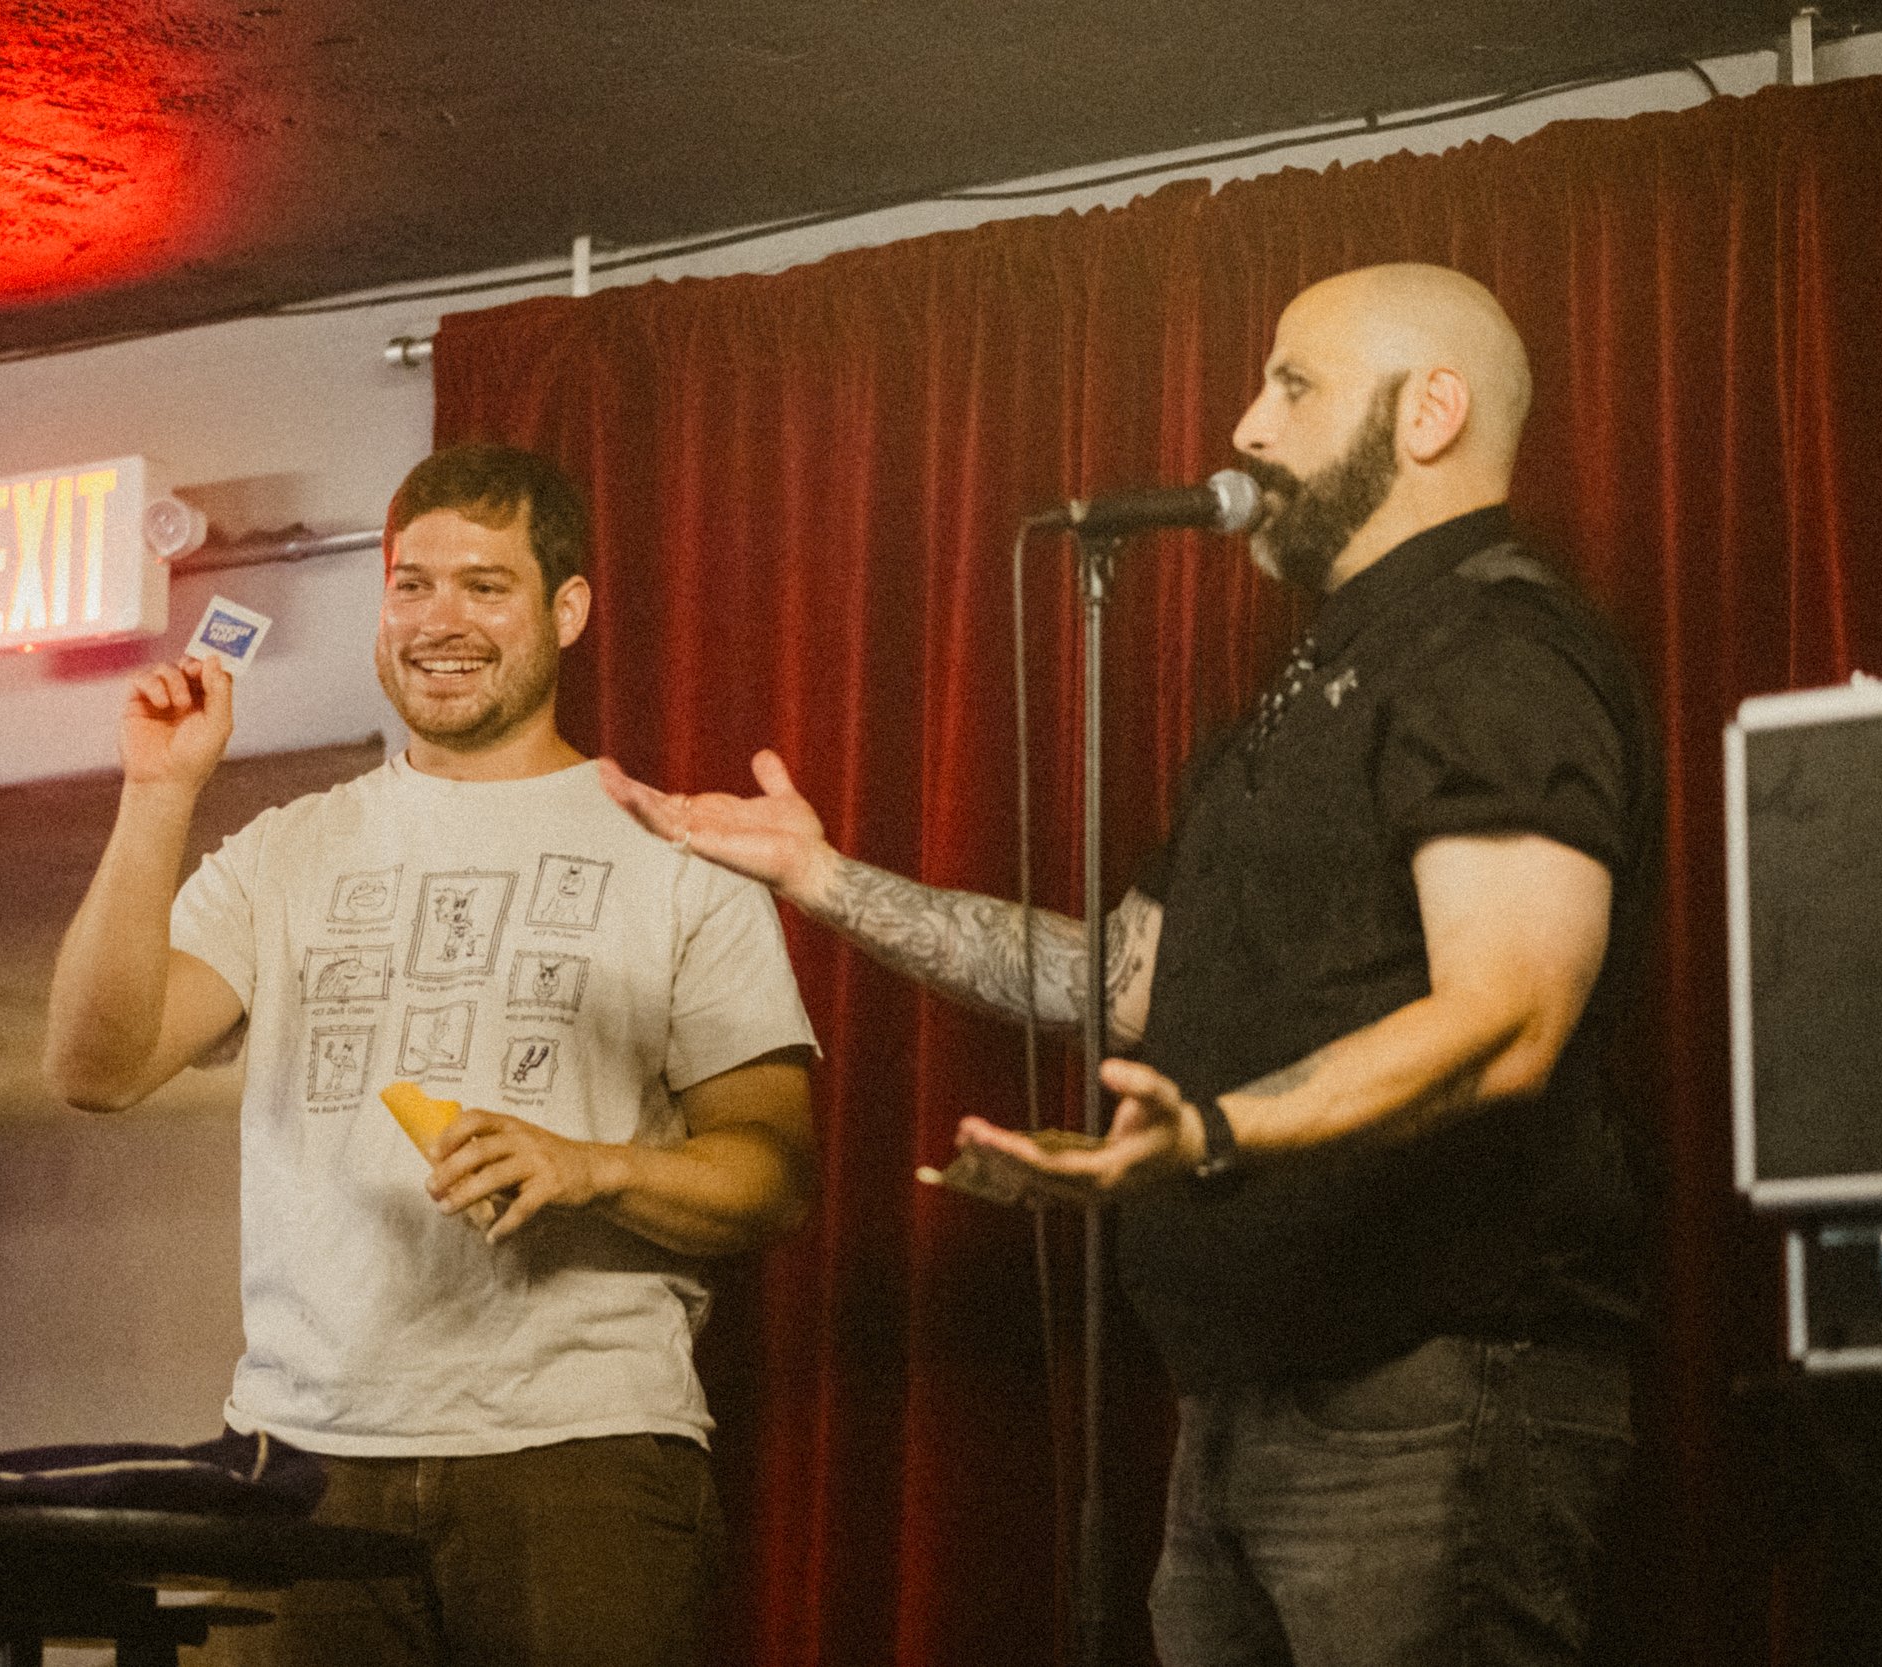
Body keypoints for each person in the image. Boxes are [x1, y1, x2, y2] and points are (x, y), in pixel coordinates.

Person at [602, 264, 1654, 1665]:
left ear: (1432, 412)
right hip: (1241, 1403)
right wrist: (826, 880)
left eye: (1293, 384)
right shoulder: (1306, 683)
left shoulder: (1496, 646)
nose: (1247, 426)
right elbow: (1126, 980)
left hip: (1432, 1396)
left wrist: (1211, 1129)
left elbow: (1512, 1010)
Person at [43, 443, 818, 1667]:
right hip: (302, 1458)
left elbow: (774, 1171)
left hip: (584, 1450)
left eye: (484, 585)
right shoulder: (284, 848)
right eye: (411, 584)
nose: (438, 620)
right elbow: (96, 1064)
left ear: (566, 609)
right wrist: (157, 792)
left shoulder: (675, 863)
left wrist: (593, 1166)